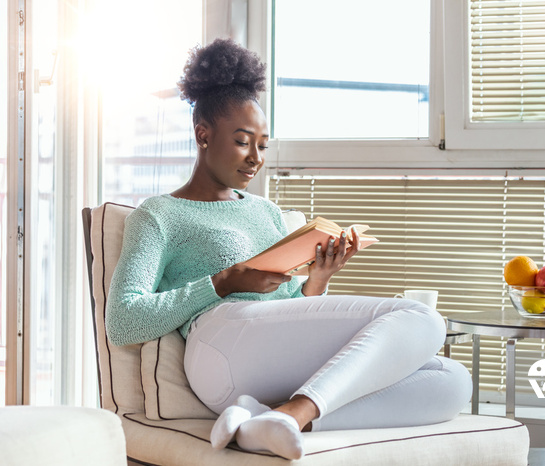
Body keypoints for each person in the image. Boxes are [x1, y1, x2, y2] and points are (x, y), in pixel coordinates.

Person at [105, 38, 472, 460]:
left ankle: (266, 417)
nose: (256, 157)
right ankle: (291, 414)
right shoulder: (159, 214)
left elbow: (288, 309)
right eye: (243, 141)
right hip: (219, 347)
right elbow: (123, 321)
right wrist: (222, 283)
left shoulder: (267, 213)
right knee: (422, 318)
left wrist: (317, 280)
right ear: (203, 134)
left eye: (263, 145)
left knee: (451, 381)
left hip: (272, 354)